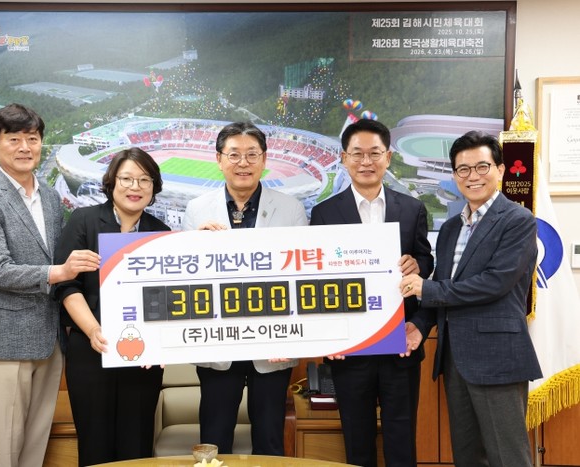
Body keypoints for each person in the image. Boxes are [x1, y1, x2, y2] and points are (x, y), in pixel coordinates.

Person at [0, 103, 100, 467]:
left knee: (34, 447)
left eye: (33, 139)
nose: (25, 147)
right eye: (14, 139)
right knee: (3, 451)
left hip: (49, 342)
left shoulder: (49, 196)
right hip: (5, 344)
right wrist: (60, 272)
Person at [401, 131, 542, 467]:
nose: (472, 176)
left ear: (500, 170)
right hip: (455, 359)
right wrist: (419, 325)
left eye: (482, 166)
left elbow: (494, 283)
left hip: (497, 358)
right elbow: (444, 285)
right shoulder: (451, 228)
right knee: (467, 455)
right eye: (463, 169)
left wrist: (425, 289)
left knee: (508, 457)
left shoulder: (518, 220)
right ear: (454, 176)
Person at [310, 118, 434, 467]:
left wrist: (417, 264)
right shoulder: (324, 213)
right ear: (343, 158)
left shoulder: (411, 209)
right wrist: (328, 336)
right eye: (357, 154)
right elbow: (315, 280)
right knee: (357, 441)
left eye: (375, 153)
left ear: (388, 157)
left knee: (402, 440)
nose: (366, 161)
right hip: (350, 350)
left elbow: (425, 259)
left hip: (400, 343)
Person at [182, 121, 308, 455]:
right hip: (217, 342)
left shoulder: (291, 209)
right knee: (214, 438)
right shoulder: (197, 209)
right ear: (219, 159)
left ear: (264, 159)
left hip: (273, 344)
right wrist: (194, 245)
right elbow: (186, 279)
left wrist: (291, 338)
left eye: (252, 154)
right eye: (234, 154)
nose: (243, 163)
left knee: (269, 440)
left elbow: (301, 278)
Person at [52, 147, 169, 466]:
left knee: (137, 445)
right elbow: (66, 285)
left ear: (154, 187)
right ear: (112, 182)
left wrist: (161, 343)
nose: (135, 187)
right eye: (127, 178)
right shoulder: (84, 221)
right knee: (95, 446)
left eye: (144, 180)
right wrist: (93, 330)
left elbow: (166, 297)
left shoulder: (160, 232)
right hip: (91, 351)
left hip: (142, 358)